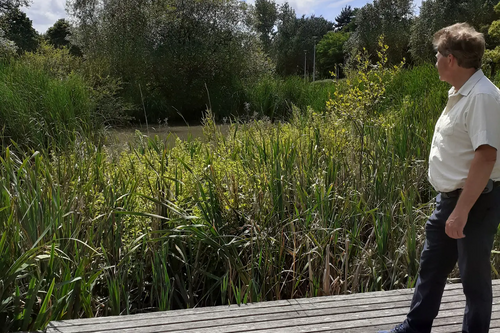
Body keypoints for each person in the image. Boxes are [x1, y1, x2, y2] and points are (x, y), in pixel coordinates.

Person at [379, 23, 500, 333]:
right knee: (431, 268)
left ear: (451, 60)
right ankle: (415, 327)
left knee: (473, 279)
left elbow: (486, 156)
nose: (434, 60)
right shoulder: (460, 92)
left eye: (437, 54)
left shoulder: (483, 97)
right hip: (450, 199)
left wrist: (461, 211)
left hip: (475, 200)